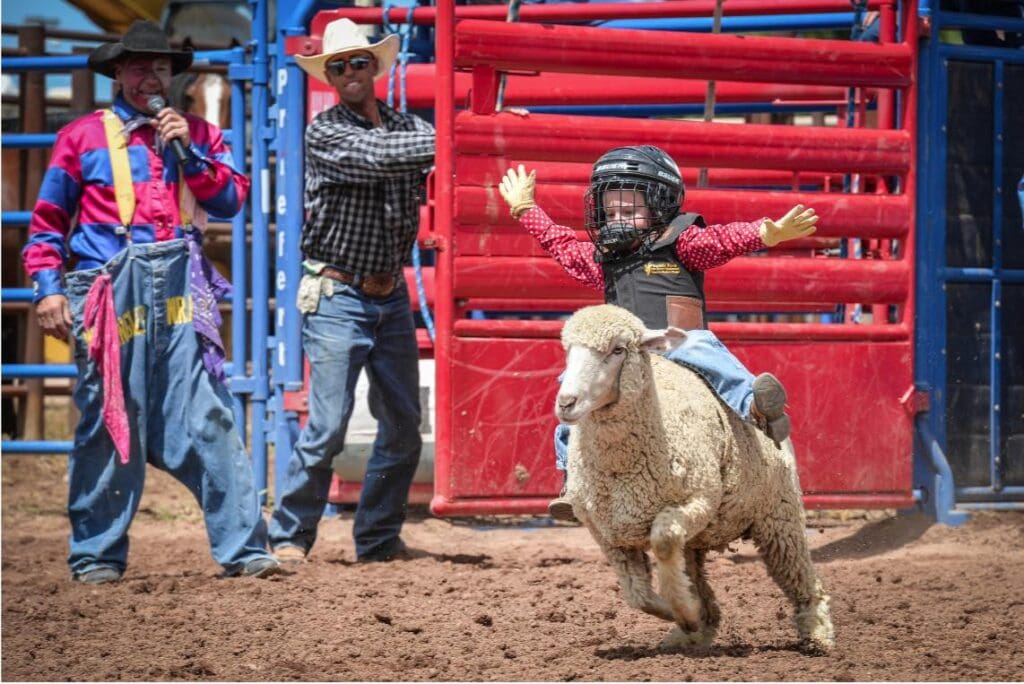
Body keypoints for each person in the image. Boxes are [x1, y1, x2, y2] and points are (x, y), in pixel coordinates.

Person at [21, 20, 280, 583]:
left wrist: (187, 153)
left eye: (160, 67)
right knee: (108, 417)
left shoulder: (202, 136)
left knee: (210, 411)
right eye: (139, 66)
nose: (150, 77)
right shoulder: (82, 137)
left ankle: (246, 550)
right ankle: (96, 555)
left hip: (183, 281)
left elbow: (231, 199)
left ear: (173, 75)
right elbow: (46, 228)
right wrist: (47, 290)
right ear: (118, 72)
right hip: (107, 286)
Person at [498, 145, 818, 520]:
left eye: (630, 211)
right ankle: (572, 479)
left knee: (703, 347)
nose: (617, 219)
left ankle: (755, 405)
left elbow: (724, 239)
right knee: (574, 384)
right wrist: (525, 210)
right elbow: (563, 246)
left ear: (659, 206)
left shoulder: (683, 242)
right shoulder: (603, 258)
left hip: (677, 339)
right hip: (627, 353)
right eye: (611, 210)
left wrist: (767, 232)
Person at [268, 18, 434, 564]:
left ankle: (378, 538)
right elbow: (384, 157)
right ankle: (290, 535)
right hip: (337, 292)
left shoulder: (407, 127)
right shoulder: (327, 131)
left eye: (357, 62)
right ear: (331, 76)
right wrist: (449, 137)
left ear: (374, 68)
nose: (348, 72)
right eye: (338, 66)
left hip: (385, 296)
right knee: (327, 425)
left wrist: (445, 139)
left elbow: (416, 150)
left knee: (404, 425)